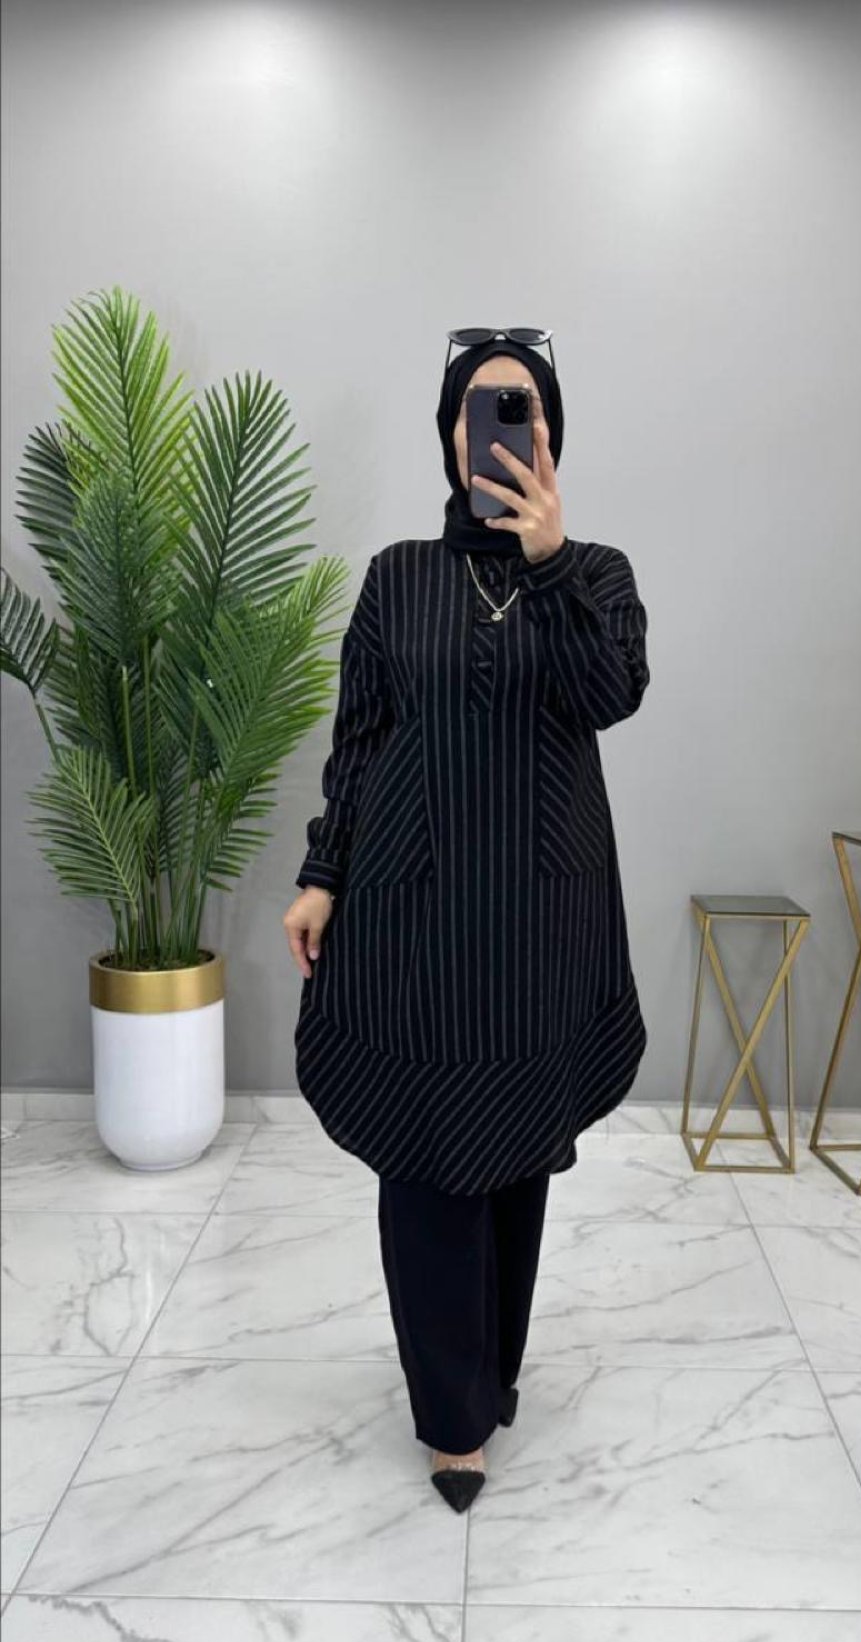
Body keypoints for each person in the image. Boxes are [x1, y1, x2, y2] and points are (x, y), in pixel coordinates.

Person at [283, 331, 650, 1511]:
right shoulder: (396, 576)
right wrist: (322, 873)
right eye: (477, 410)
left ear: (550, 432)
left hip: (541, 910)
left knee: (516, 1147)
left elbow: (610, 694)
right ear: (449, 436)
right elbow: (360, 738)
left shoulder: (596, 572)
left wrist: (547, 562)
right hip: (414, 906)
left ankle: (490, 1372)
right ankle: (452, 1418)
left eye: (520, 407)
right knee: (424, 1152)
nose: (498, 428)